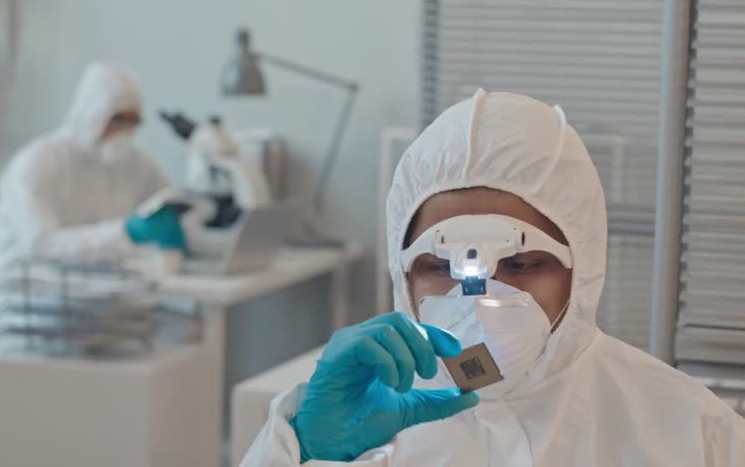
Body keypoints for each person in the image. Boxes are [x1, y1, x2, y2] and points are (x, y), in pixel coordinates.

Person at [242, 90, 745, 465]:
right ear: (403, 274)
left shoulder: (691, 434)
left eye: (523, 265)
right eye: (440, 267)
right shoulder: (360, 424)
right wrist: (307, 449)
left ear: (583, 268)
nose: (477, 299)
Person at [0, 63, 195, 340]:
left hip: (89, 296)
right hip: (24, 302)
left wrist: (180, 220)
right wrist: (124, 232)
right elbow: (41, 244)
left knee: (181, 333)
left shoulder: (132, 162)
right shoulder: (38, 164)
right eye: (118, 120)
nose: (124, 132)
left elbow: (173, 198)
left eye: (133, 122)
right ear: (93, 113)